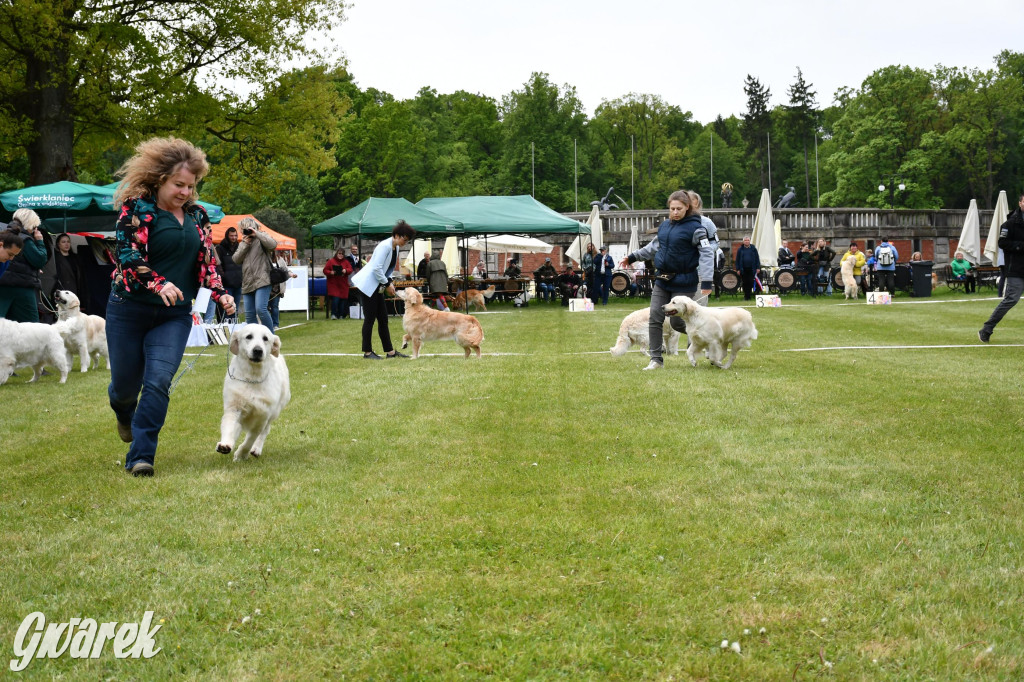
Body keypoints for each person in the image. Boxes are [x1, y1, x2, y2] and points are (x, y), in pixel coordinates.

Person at [106, 136, 235, 477]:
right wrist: (158, 282)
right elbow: (128, 256)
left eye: (191, 186)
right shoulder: (136, 208)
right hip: (128, 309)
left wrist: (220, 291)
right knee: (124, 388)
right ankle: (122, 410)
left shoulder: (197, 214)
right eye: (179, 185)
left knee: (159, 380)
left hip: (174, 315)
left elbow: (207, 260)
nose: (185, 192)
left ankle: (141, 456)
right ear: (159, 178)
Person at [620, 190, 715, 370]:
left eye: (679, 208)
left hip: (685, 281)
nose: (675, 212)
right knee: (655, 316)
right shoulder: (664, 227)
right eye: (672, 208)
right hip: (663, 279)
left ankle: (706, 339)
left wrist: (707, 281)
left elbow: (707, 253)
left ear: (687, 207)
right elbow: (653, 247)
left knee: (677, 322)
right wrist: (633, 257)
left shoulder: (698, 229)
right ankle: (656, 360)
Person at [350, 220, 416, 359]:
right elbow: (376, 268)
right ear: (397, 235)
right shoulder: (384, 246)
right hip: (368, 286)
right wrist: (387, 284)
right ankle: (367, 352)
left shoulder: (395, 247)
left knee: (383, 319)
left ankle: (390, 352)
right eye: (404, 239)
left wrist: (389, 282)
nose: (405, 242)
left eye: (407, 240)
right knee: (370, 319)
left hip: (377, 286)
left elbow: (388, 268)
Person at [979, 191, 1024, 343]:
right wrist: (1020, 246)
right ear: (1020, 203)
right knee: (1011, 299)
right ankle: (987, 329)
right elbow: (1002, 243)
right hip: (1016, 269)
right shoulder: (1009, 224)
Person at [0, 208, 48, 322]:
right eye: (34, 226)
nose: (34, 229)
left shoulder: (6, 233)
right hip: (20, 286)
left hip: (4, 284)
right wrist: (40, 241)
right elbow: (40, 260)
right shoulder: (24, 238)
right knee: (32, 327)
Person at [232, 217, 277, 329]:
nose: (245, 232)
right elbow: (236, 259)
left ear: (254, 228)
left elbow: (273, 245)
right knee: (250, 315)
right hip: (247, 282)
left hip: (263, 279)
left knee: (261, 310)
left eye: (247, 229)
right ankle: (255, 341)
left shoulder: (262, 236)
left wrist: (257, 234)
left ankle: (270, 338)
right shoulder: (243, 243)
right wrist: (245, 244)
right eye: (243, 230)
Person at [216, 227, 244, 319]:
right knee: (226, 308)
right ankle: (224, 327)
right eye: (231, 236)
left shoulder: (239, 247)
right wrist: (223, 276)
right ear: (227, 236)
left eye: (235, 235)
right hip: (226, 283)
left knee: (235, 308)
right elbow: (218, 264)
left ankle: (234, 327)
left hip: (238, 283)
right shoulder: (220, 248)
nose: (234, 237)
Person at [52, 233, 85, 306]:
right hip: (62, 290)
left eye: (68, 242)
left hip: (75, 289)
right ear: (58, 244)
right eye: (63, 242)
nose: (66, 244)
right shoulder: (55, 259)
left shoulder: (75, 258)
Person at [324, 246, 354, 319]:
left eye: (342, 254)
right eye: (339, 253)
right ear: (336, 254)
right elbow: (325, 270)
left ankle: (341, 315)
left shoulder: (346, 262)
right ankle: (333, 314)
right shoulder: (331, 261)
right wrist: (330, 272)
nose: (340, 255)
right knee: (335, 299)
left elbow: (350, 269)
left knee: (343, 300)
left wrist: (345, 270)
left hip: (343, 284)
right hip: (333, 284)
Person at [269, 252, 297, 329]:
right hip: (266, 287)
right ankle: (265, 324)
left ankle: (275, 325)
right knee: (264, 308)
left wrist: (291, 274)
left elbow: (286, 270)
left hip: (277, 289)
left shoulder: (280, 259)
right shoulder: (263, 258)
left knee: (274, 306)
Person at [734, 236, 761, 301]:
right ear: (743, 241)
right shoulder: (740, 249)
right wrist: (738, 269)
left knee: (751, 282)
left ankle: (749, 294)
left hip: (752, 269)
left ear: (750, 241)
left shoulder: (753, 249)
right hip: (743, 269)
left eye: (748, 240)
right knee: (745, 283)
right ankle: (746, 296)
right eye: (745, 240)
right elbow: (737, 260)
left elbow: (757, 258)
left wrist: (758, 267)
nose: (747, 241)